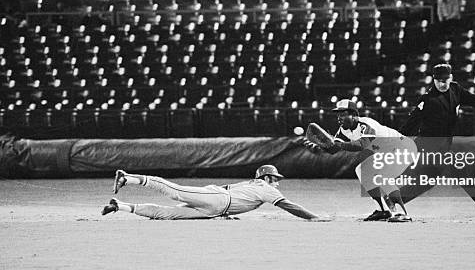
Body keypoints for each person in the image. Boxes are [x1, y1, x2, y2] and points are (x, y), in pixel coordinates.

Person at [399, 63, 475, 213]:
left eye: (445, 80)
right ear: (433, 80)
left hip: (443, 145)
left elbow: (473, 98)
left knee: (426, 183)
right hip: (428, 146)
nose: (442, 83)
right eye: (438, 81)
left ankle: (393, 201)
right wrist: (398, 140)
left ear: (451, 78)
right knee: (457, 166)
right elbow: (411, 122)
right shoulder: (427, 100)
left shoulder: (456, 89)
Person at [101, 165, 322, 220]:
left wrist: (226, 212)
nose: (277, 183)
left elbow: (230, 190)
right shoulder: (264, 188)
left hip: (214, 210)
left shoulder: (250, 185)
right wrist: (313, 217)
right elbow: (289, 206)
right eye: (276, 179)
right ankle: (127, 178)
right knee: (175, 191)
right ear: (267, 177)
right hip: (218, 200)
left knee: (166, 215)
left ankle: (119, 206)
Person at [322, 99, 412, 222]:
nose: (339, 118)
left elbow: (362, 144)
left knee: (382, 174)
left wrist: (339, 144)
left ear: (354, 115)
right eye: (338, 114)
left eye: (343, 114)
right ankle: (382, 210)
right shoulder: (343, 130)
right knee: (361, 170)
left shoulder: (366, 124)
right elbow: (333, 150)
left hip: (403, 147)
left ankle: (401, 213)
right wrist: (319, 145)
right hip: (385, 151)